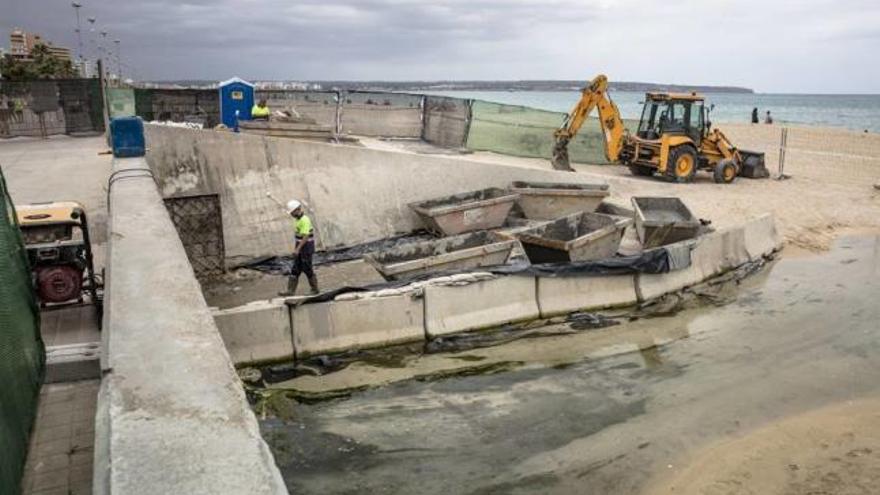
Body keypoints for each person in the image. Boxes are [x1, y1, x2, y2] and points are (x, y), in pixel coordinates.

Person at [279, 199, 319, 296]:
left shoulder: (304, 220)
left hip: (306, 247)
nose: (291, 214)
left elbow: (305, 237)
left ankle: (315, 289)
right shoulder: (298, 220)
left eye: (292, 212)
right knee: (295, 269)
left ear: (297, 210)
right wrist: (297, 248)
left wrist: (297, 249)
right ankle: (290, 291)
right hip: (300, 247)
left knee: (307, 268)